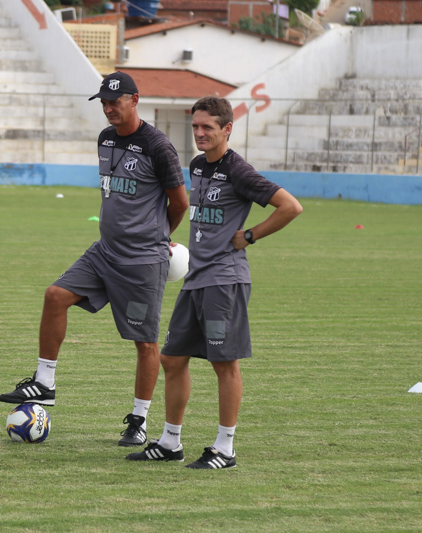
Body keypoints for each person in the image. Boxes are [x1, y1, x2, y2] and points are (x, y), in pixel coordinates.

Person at [0, 72, 189, 447]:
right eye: (103, 102)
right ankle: (45, 383)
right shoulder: (104, 139)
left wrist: (159, 236)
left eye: (114, 101)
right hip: (104, 251)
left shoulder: (158, 146)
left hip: (142, 260)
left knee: (145, 343)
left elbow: (179, 202)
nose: (108, 108)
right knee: (55, 295)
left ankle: (139, 421)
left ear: (134, 100)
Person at [126, 96, 303, 467]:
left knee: (224, 364)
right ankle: (170, 442)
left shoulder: (239, 171)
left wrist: (250, 235)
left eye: (208, 127)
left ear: (227, 129)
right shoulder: (196, 166)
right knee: (172, 359)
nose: (200, 133)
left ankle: (225, 448)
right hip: (196, 278)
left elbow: (290, 206)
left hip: (225, 280)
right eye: (196, 127)